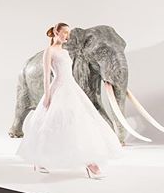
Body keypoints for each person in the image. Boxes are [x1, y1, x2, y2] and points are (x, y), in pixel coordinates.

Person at [16, 23, 124, 179]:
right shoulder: (49, 51)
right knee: (51, 125)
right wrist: (47, 95)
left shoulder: (65, 52)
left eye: (68, 33)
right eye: (64, 33)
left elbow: (69, 73)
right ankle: (41, 160)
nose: (67, 36)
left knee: (81, 121)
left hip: (71, 88)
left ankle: (90, 161)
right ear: (56, 32)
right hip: (58, 89)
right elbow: (46, 76)